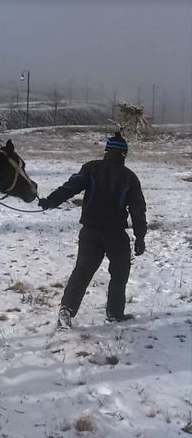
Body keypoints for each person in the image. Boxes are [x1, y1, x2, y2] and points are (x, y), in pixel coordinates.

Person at [38, 131, 147, 329]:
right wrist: (140, 237)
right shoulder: (129, 177)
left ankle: (66, 311)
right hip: (115, 234)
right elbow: (138, 209)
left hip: (90, 231)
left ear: (106, 151)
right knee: (120, 273)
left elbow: (70, 187)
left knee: (82, 271)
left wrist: (50, 202)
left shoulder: (91, 168)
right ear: (123, 155)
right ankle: (114, 313)